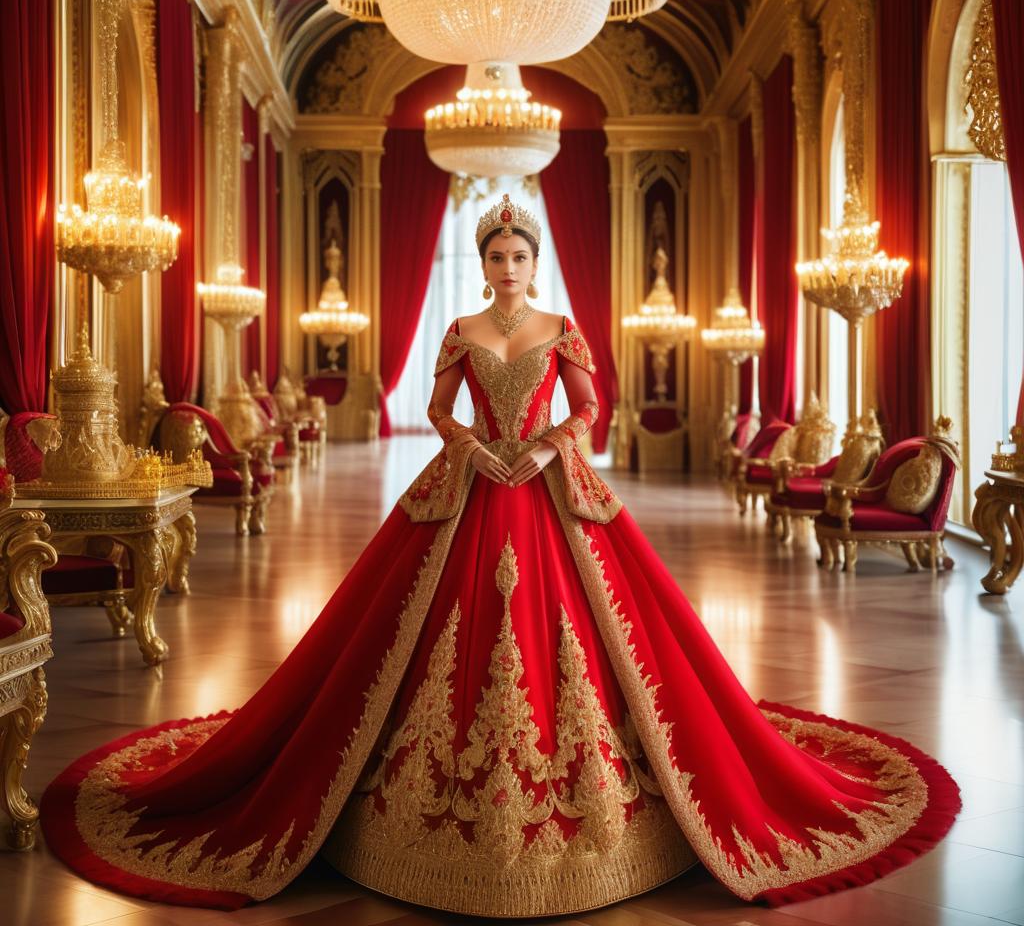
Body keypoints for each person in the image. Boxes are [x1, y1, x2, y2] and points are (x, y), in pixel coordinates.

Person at [40, 195, 959, 917]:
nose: (508, 268)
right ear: (482, 267)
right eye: (495, 258)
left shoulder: (561, 328)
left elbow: (591, 409)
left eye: (518, 257)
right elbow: (440, 412)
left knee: (605, 636)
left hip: (549, 488)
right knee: (411, 635)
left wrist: (549, 443)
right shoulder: (462, 333)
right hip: (476, 483)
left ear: (534, 263)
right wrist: (472, 447)